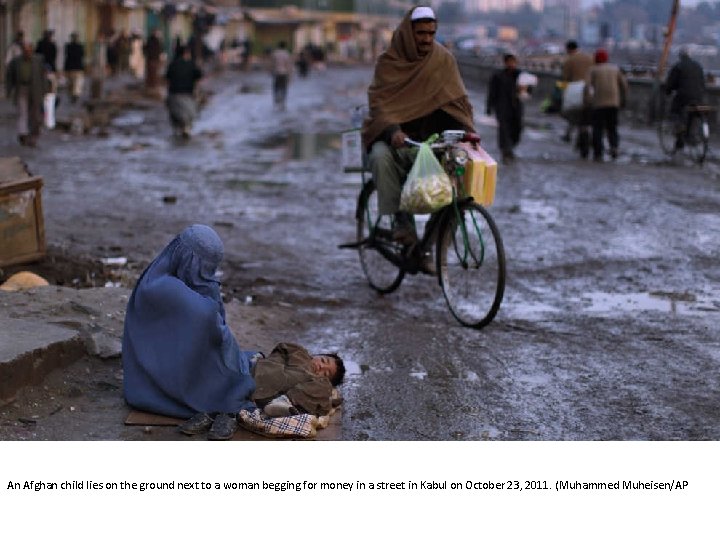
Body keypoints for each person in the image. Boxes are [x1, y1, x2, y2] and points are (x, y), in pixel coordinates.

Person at [361, 5, 475, 267]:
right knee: (380, 157)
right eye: (421, 33)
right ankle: (402, 222)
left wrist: (467, 131)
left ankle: (430, 245)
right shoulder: (388, 62)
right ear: (408, 32)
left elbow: (456, 100)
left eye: (431, 33)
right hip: (397, 140)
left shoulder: (443, 60)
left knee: (459, 185)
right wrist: (393, 131)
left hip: (432, 140)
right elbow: (379, 104)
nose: (426, 39)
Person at [122, 224, 258, 441]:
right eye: (204, 266)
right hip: (154, 382)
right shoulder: (163, 287)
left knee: (230, 356)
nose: (207, 273)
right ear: (189, 258)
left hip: (169, 362)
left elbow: (216, 318)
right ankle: (216, 398)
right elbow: (210, 319)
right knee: (234, 381)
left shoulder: (164, 273)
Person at [251, 342, 345, 417]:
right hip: (258, 368)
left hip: (263, 394)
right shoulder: (300, 352)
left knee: (325, 387)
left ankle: (282, 402)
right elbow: (282, 347)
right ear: (317, 355)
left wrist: (328, 402)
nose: (321, 366)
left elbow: (318, 400)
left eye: (325, 373)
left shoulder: (316, 383)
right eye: (323, 360)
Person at [584, 48, 627, 161]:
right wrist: (623, 100)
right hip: (614, 103)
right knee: (612, 127)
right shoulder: (615, 69)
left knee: (597, 128)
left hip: (599, 103)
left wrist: (588, 100)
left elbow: (587, 86)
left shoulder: (593, 70)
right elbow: (624, 86)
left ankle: (598, 152)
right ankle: (614, 147)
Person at [5, 42, 48, 147]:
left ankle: (33, 136)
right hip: (22, 88)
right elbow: (10, 77)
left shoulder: (38, 61)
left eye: (29, 50)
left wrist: (45, 90)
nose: (27, 53)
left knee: (34, 114)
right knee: (22, 111)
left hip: (35, 89)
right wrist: (9, 90)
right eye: (25, 50)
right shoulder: (16, 62)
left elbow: (43, 76)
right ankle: (23, 134)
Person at [664, 48, 705, 150]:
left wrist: (668, 91)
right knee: (693, 113)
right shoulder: (698, 66)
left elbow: (670, 84)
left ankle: (680, 132)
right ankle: (691, 135)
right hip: (698, 97)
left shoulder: (678, 66)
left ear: (681, 56)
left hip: (683, 97)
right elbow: (703, 83)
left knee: (675, 111)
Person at [486, 53, 523, 164]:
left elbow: (528, 90)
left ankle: (511, 147)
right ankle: (506, 151)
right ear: (505, 63)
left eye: (513, 62)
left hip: (516, 107)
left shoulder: (520, 75)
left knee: (517, 129)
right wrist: (489, 107)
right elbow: (492, 92)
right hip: (502, 107)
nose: (512, 64)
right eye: (510, 62)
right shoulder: (498, 76)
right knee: (504, 130)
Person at [561, 40, 593, 157]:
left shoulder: (569, 60)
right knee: (587, 116)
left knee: (575, 115)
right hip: (589, 91)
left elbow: (565, 78)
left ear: (568, 49)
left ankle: (571, 135)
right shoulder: (589, 58)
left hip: (575, 91)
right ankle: (585, 139)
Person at [164, 45, 202, 138]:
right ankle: (185, 128)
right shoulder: (191, 64)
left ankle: (178, 129)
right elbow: (199, 75)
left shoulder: (172, 64)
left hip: (173, 94)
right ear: (186, 54)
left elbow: (167, 77)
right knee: (190, 114)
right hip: (187, 94)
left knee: (174, 114)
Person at [269, 41, 292, 111]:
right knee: (284, 88)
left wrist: (271, 71)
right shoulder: (287, 54)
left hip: (276, 73)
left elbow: (272, 63)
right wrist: (290, 75)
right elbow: (288, 65)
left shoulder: (275, 53)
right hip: (284, 73)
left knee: (276, 87)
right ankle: (283, 103)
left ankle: (276, 101)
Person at [64, 32, 85, 103]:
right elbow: (82, 56)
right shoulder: (80, 47)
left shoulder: (68, 46)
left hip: (71, 67)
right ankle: (75, 94)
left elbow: (66, 57)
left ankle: (73, 95)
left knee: (72, 83)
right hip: (77, 68)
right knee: (76, 83)